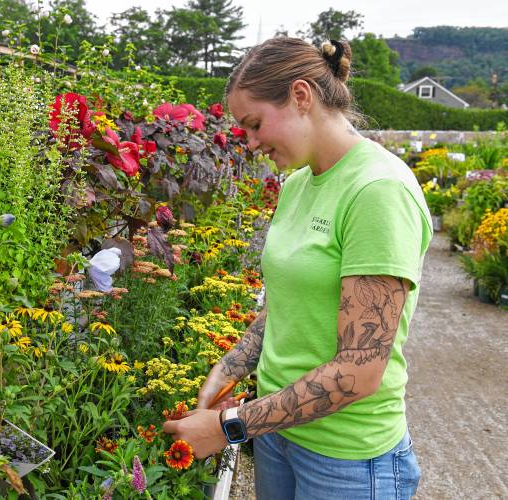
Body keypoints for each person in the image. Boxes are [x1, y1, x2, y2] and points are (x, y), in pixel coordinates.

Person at [163, 37, 432, 499]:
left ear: (302, 96)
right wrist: (227, 369)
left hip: (346, 460)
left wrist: (228, 426)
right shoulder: (297, 185)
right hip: (279, 438)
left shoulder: (377, 191)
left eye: (254, 124)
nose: (248, 142)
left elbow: (360, 369)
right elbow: (289, 303)